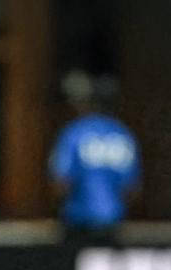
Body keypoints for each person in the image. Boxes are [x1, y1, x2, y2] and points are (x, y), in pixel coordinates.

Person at [48, 70, 141, 245]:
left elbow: (61, 182)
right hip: (113, 222)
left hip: (78, 222)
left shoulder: (75, 132)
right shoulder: (123, 134)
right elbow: (131, 188)